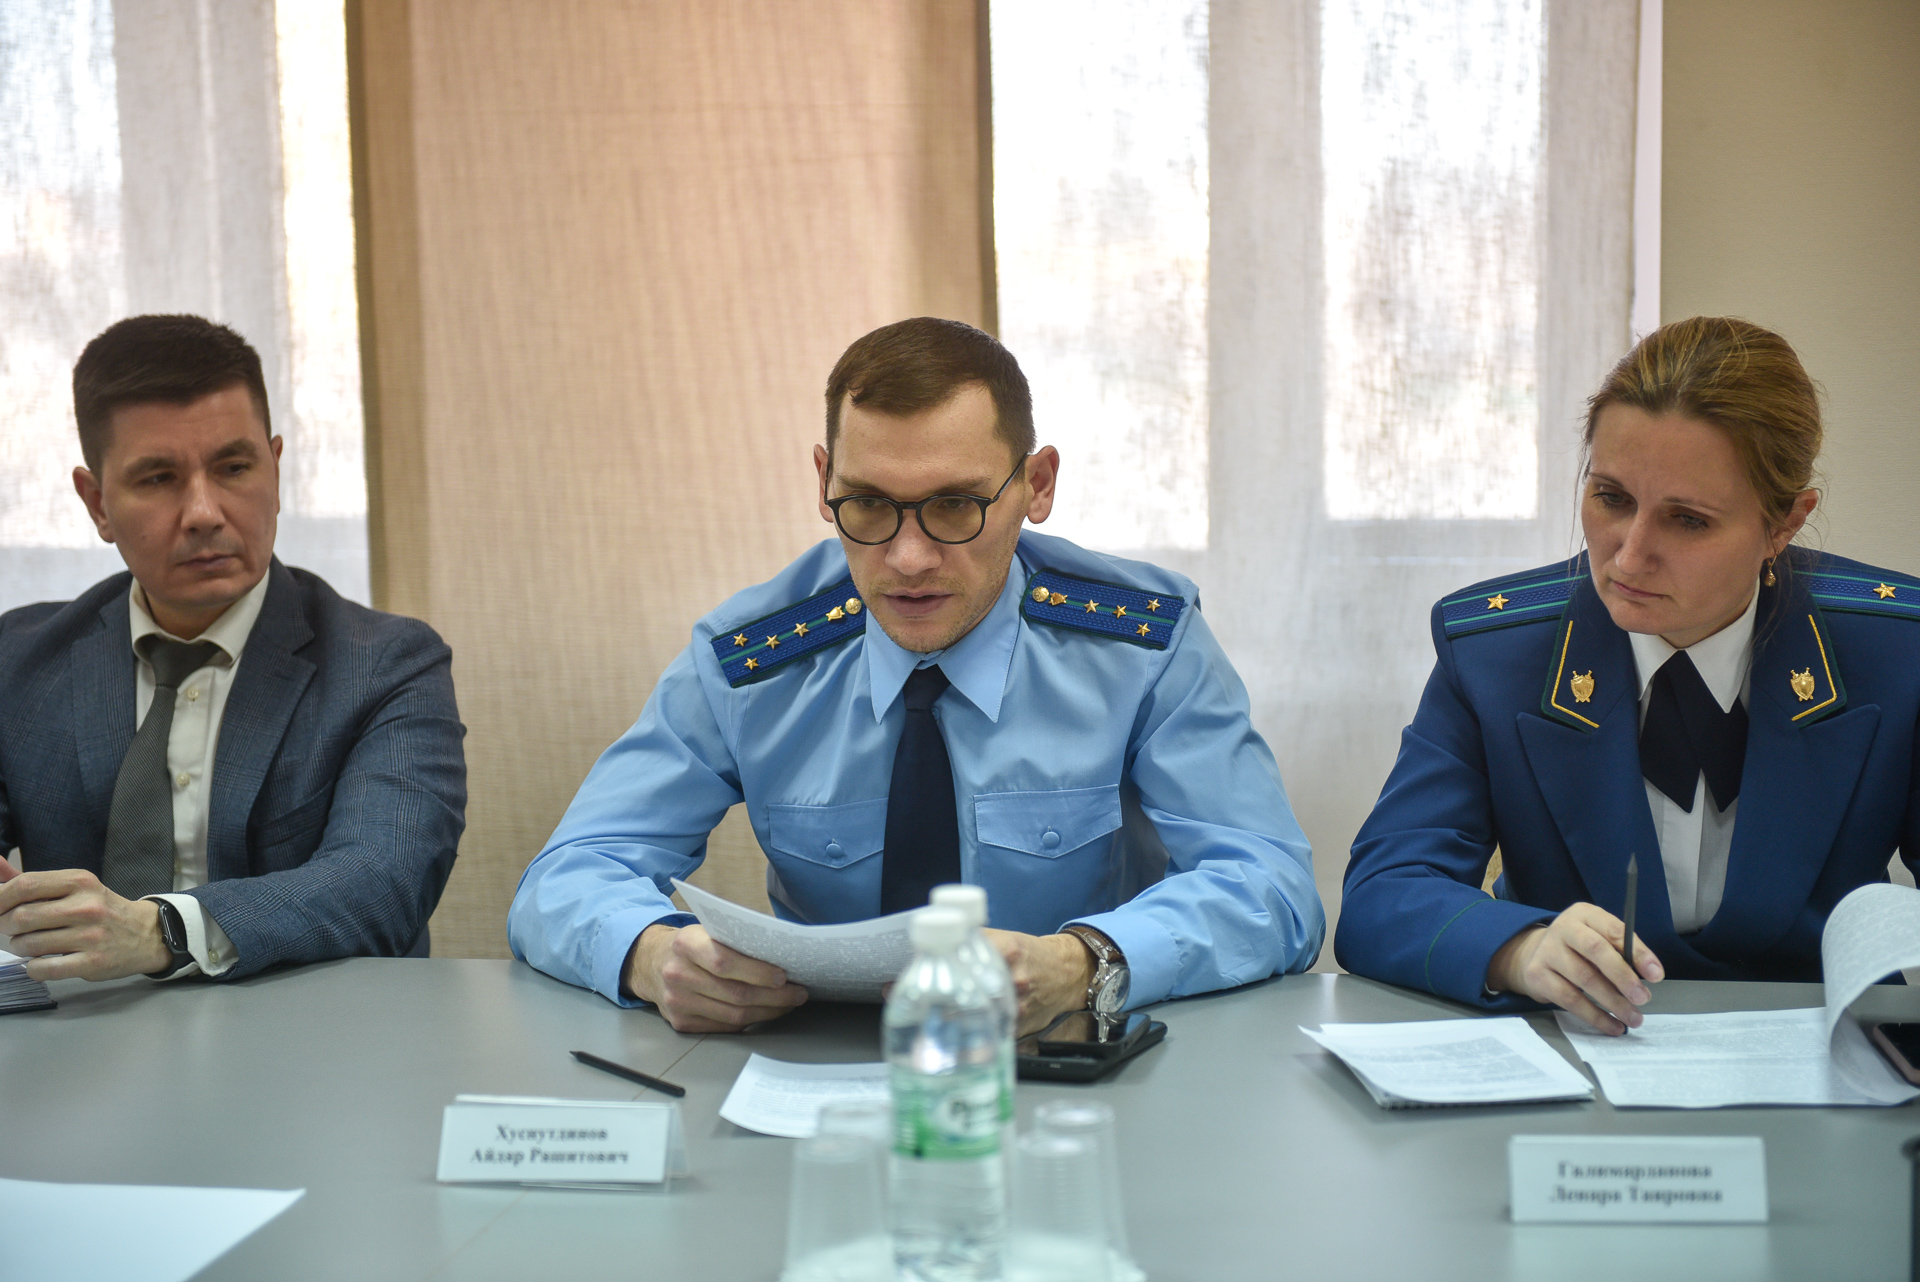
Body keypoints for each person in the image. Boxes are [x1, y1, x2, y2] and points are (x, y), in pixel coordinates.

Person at [509, 317, 1323, 1034]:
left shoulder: (1140, 646)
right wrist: (650, 956)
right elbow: (567, 876)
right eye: (867, 504)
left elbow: (1272, 887)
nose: (907, 558)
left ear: (1035, 486)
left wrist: (1085, 962)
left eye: (955, 505)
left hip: (1068, 1064)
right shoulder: (751, 660)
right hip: (818, 1073)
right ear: (823, 482)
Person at [1336, 316, 1920, 1034]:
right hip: (1575, 1050)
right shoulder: (1495, 655)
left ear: (1785, 525)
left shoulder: (1897, 655)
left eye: (1688, 520)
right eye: (1611, 498)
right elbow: (1385, 891)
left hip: (1833, 1056)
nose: (1629, 556)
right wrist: (1520, 950)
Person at [0, 315, 466, 983]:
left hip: (314, 1031)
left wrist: (163, 931)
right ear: (97, 502)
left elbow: (382, 884)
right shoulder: (19, 660)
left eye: (234, 468)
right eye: (158, 478)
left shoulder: (387, 665)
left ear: (275, 469)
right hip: (81, 1032)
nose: (203, 512)